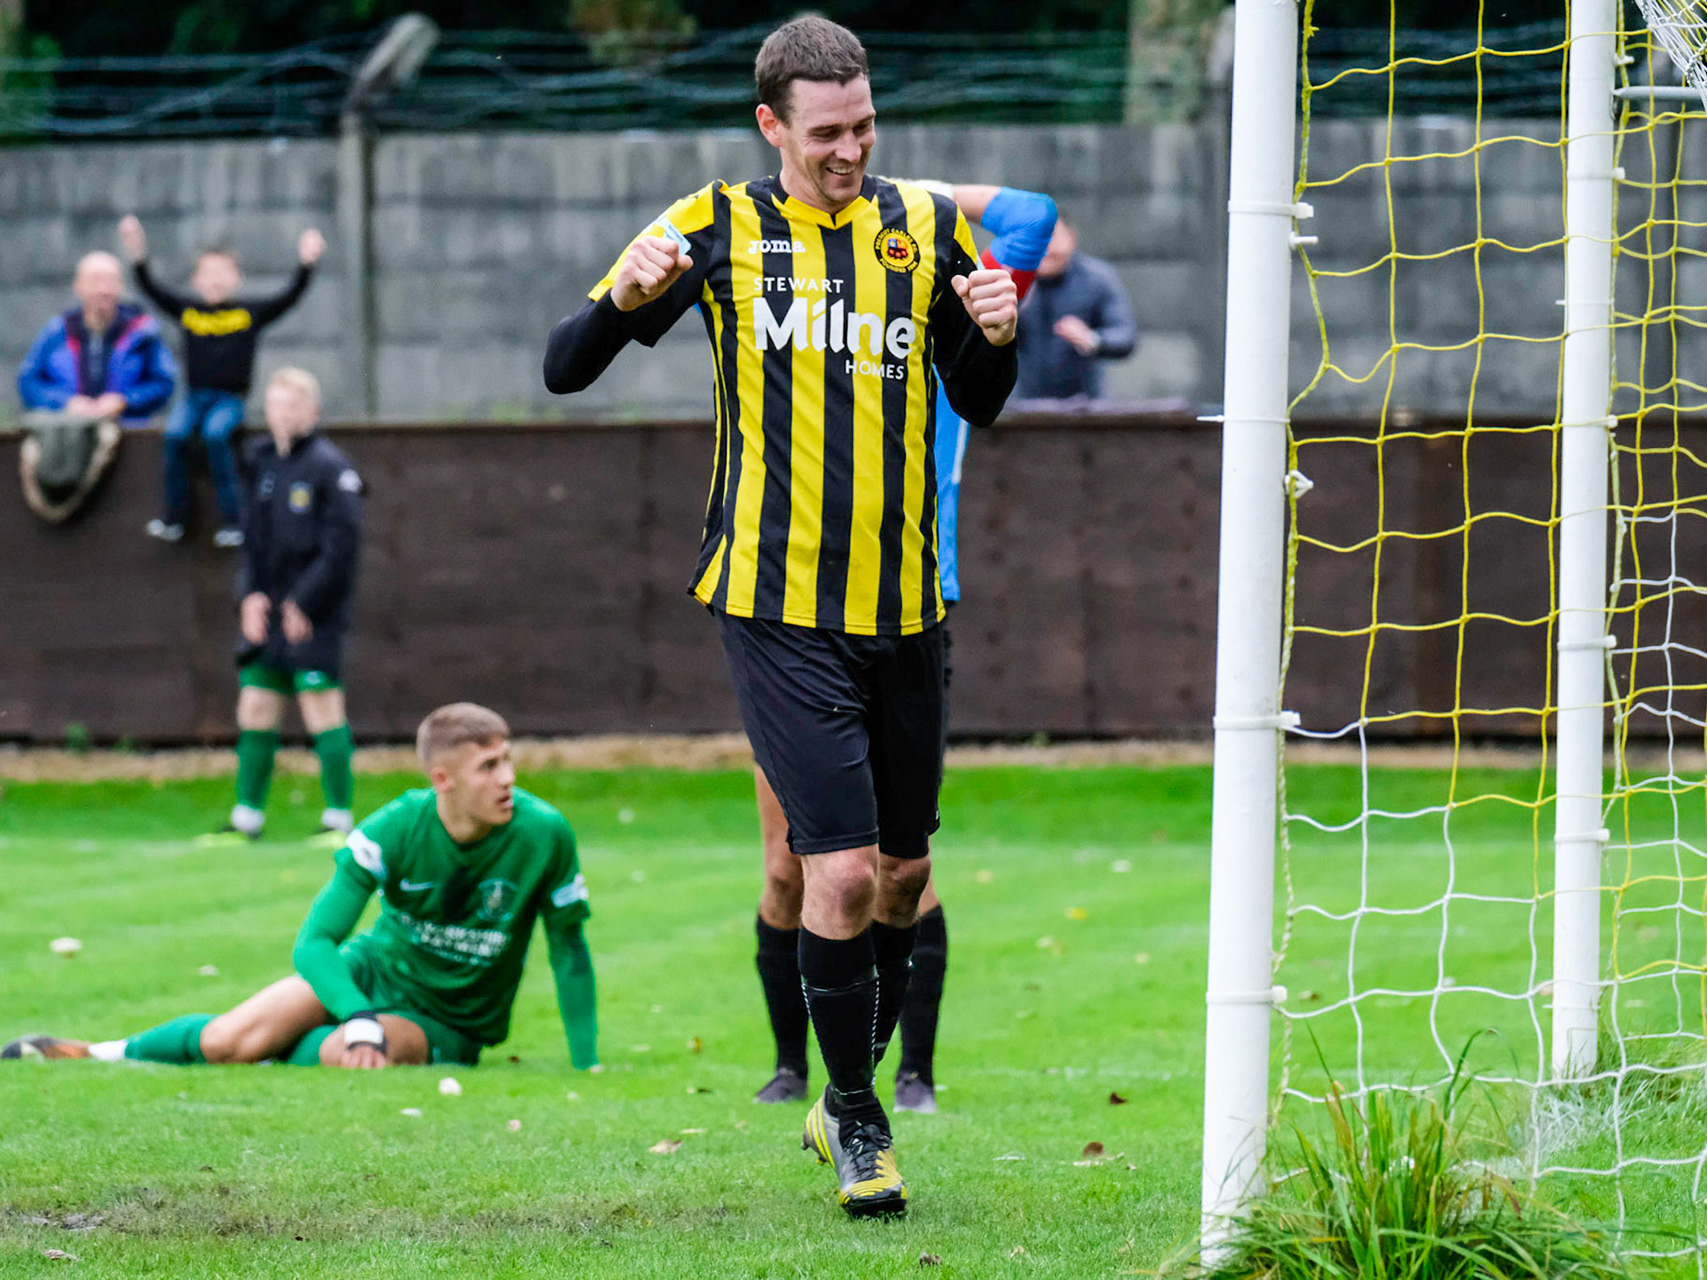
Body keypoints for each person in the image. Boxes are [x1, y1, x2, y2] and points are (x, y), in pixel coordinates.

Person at [543, 15, 1020, 1218]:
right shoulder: (712, 227)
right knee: (841, 869)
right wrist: (620, 303)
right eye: (827, 133)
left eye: (865, 124)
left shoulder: (925, 225)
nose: (852, 149)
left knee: (906, 874)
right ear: (771, 125)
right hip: (772, 604)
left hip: (908, 609)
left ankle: (855, 1087)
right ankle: (854, 1112)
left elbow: (981, 395)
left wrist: (1000, 337)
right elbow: (564, 364)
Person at [748, 180, 1056, 1116]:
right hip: (794, 611)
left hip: (912, 609)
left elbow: (1030, 215)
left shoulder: (949, 305)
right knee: (789, 863)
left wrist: (906, 190)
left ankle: (906, 1075)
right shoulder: (812, 318)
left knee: (901, 870)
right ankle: (797, 1071)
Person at [4, 704, 596, 1072]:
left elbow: (569, 946)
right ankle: (98, 1052)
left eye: (508, 760)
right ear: (442, 780)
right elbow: (315, 942)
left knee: (353, 1054)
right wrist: (360, 1011)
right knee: (227, 1041)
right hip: (369, 974)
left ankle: (297, 1044)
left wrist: (586, 1062)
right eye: (488, 767)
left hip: (450, 1022)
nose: (508, 779)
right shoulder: (394, 828)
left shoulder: (544, 834)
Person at [204, 367, 362, 847]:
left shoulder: (331, 468)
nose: (282, 415)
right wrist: (248, 595)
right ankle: (246, 818)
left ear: (311, 412)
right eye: (275, 406)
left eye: (293, 406)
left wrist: (304, 602)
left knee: (321, 708)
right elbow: (251, 541)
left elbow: (342, 548)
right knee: (255, 706)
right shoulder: (260, 462)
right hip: (268, 610)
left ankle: (339, 820)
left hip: (315, 611)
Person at [120, 215, 327, 548]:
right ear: (196, 280)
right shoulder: (190, 312)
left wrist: (306, 264)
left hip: (229, 399)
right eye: (208, 273)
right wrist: (137, 253)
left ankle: (233, 519)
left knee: (216, 435)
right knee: (174, 435)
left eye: (222, 273)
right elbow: (152, 288)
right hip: (195, 398)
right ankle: (174, 516)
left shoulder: (247, 313)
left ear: (237, 279)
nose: (215, 280)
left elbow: (289, 296)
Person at [17, 251, 175, 425]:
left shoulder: (143, 332)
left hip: (129, 431)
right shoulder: (57, 331)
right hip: (68, 430)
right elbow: (28, 382)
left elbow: (163, 383)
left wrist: (124, 401)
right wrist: (66, 403)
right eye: (95, 281)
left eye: (111, 281)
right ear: (78, 286)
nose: (104, 289)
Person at [1011, 218, 1137, 402]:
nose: (1044, 247)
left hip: (1084, 408)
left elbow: (1125, 335)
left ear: (1071, 237)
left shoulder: (1097, 278)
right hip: (1020, 409)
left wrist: (1091, 339)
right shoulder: (1009, 279)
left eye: (1051, 237)